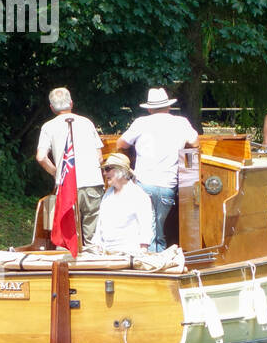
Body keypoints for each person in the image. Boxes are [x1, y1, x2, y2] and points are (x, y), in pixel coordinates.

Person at [117, 88, 199, 251]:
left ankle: (147, 265)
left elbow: (120, 144)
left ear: (149, 108)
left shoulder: (141, 123)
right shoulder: (181, 122)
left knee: (145, 229)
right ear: (168, 107)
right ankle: (157, 263)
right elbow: (196, 143)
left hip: (143, 184)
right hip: (167, 185)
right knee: (157, 231)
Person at [35, 87, 104, 244]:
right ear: (71, 103)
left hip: (67, 185)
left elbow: (41, 157)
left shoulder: (48, 126)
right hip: (92, 184)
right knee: (92, 238)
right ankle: (92, 261)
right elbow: (99, 157)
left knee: (67, 237)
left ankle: (67, 266)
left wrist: (56, 172)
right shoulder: (87, 123)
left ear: (51, 108)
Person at [86, 153, 154, 255]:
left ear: (121, 171)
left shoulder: (139, 195)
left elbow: (146, 229)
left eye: (108, 169)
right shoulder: (107, 194)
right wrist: (96, 245)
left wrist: (142, 252)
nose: (104, 173)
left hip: (129, 255)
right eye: (104, 169)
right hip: (105, 255)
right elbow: (100, 224)